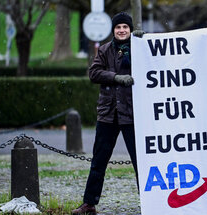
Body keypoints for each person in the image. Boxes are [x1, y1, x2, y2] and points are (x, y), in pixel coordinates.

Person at [72, 12, 143, 215]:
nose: (122, 30)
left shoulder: (139, 49)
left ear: (130, 30)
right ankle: (89, 203)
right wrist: (116, 77)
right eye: (118, 27)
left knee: (141, 162)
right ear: (113, 30)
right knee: (99, 161)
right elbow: (93, 73)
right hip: (108, 114)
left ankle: (149, 201)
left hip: (132, 114)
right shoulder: (104, 50)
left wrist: (145, 43)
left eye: (125, 27)